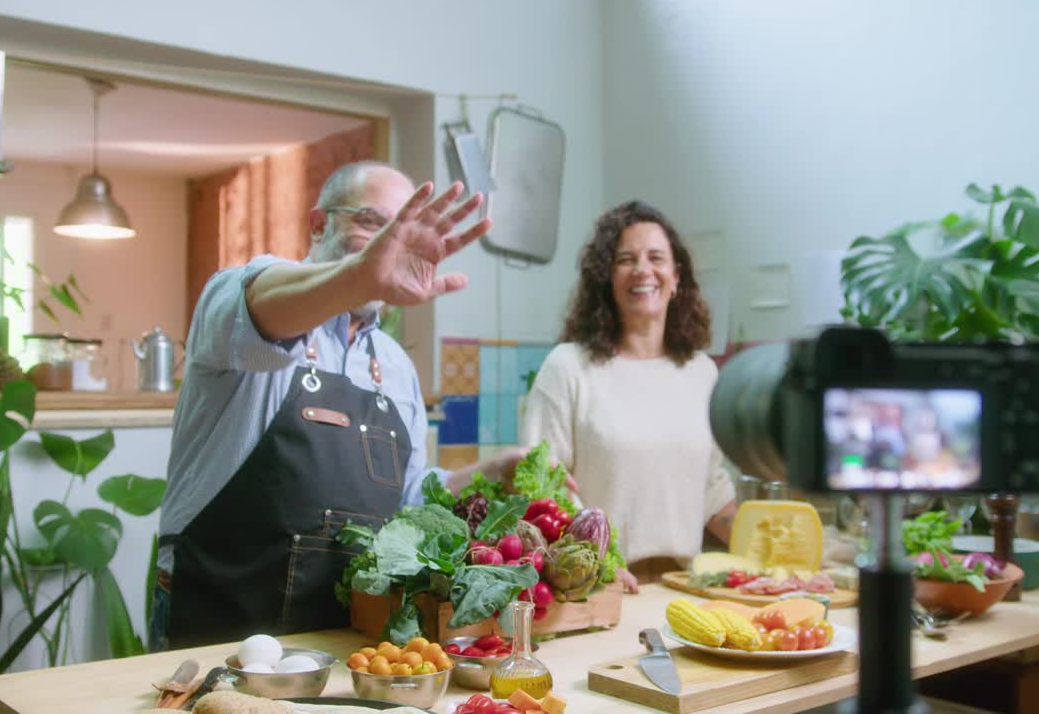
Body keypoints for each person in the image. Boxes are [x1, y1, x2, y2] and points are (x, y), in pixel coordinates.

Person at [152, 162, 536, 650]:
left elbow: (410, 499)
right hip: (218, 625)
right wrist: (359, 277)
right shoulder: (241, 299)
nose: (391, 247)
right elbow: (263, 310)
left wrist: (496, 470)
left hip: (348, 640)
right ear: (318, 224)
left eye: (405, 233)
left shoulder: (395, 366)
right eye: (374, 224)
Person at [520, 200, 737, 592]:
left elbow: (711, 490)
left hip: (684, 588)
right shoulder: (567, 367)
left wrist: (784, 553)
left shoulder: (702, 372)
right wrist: (596, 566)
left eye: (656, 257)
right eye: (625, 259)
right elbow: (543, 490)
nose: (642, 270)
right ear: (606, 278)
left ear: (676, 278)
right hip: (598, 588)